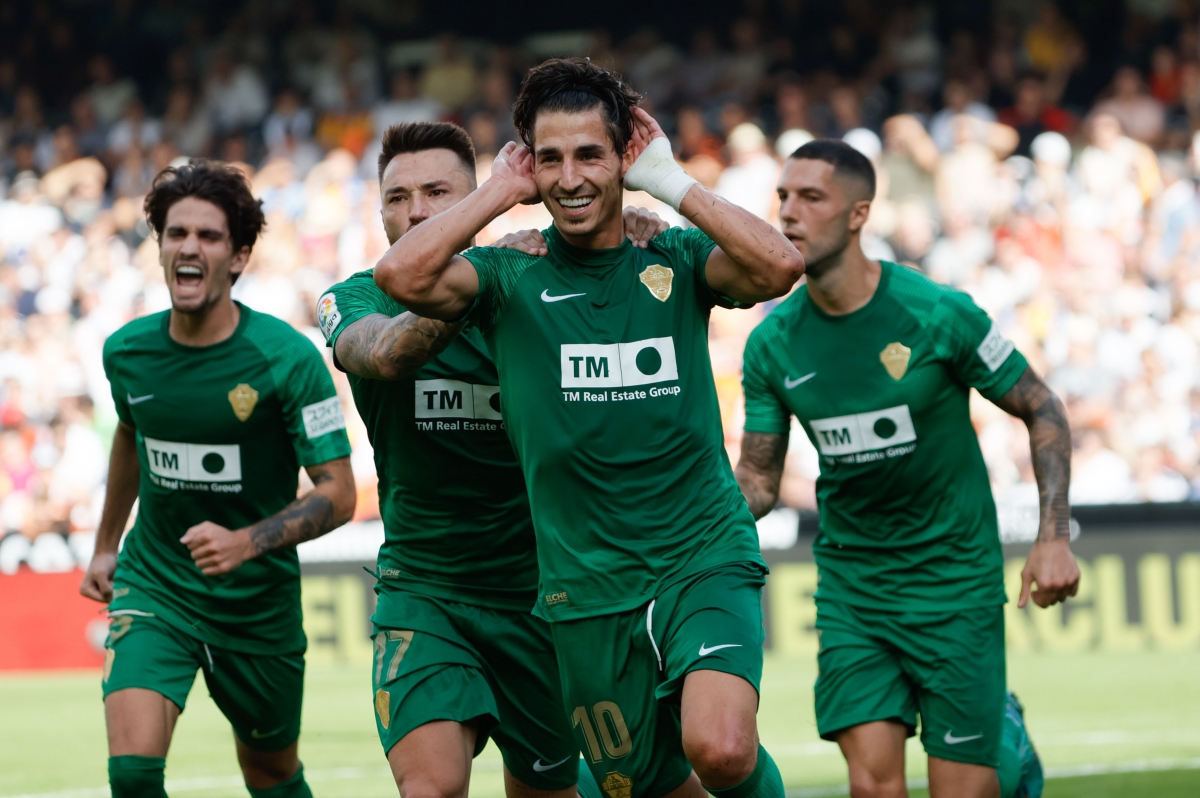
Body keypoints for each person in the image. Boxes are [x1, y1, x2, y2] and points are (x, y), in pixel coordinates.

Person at [373, 57, 804, 798]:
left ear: (622, 159)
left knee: (722, 747)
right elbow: (400, 279)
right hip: (583, 589)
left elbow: (778, 267)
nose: (570, 178)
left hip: (697, 552)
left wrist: (670, 183)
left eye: (589, 155)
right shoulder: (508, 279)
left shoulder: (670, 254)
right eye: (549, 159)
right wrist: (500, 194)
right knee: (644, 786)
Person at [317, 120, 667, 798]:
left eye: (436, 192)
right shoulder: (351, 297)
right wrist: (479, 271)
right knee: (432, 787)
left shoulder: (536, 292)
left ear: (473, 195)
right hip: (426, 593)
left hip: (543, 600)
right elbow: (385, 354)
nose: (414, 210)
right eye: (396, 197)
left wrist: (630, 245)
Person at [734, 140, 1082, 798]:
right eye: (783, 196)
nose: (788, 213)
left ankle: (1004, 741)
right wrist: (667, 515)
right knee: (873, 788)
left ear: (860, 213)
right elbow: (756, 481)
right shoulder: (771, 344)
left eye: (811, 197)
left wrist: (1053, 535)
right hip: (853, 591)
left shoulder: (939, 313)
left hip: (955, 584)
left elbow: (1043, 408)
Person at [80, 160, 357, 798]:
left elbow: (339, 493)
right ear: (159, 247)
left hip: (256, 606)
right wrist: (104, 544)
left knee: (271, 773)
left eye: (208, 236)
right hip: (157, 584)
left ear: (238, 256)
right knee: (133, 772)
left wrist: (245, 543)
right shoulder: (126, 352)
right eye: (176, 233)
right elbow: (130, 437)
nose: (189, 247)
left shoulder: (287, 360)